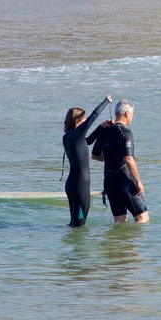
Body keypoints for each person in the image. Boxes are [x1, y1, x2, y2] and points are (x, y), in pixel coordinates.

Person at [92, 99, 149, 223]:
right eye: (132, 114)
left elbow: (95, 155)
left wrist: (112, 157)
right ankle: (136, 243)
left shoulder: (105, 131)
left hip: (109, 183)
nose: (132, 117)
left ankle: (118, 243)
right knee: (142, 218)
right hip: (124, 182)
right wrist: (138, 182)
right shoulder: (126, 133)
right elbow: (128, 159)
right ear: (127, 113)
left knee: (120, 220)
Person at [62, 95, 112, 227]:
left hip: (71, 184)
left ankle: (69, 247)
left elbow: (87, 141)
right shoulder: (77, 134)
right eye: (83, 119)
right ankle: (80, 248)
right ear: (78, 120)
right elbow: (94, 115)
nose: (85, 122)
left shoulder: (67, 137)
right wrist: (107, 101)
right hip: (80, 186)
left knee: (73, 224)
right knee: (79, 226)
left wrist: (101, 127)